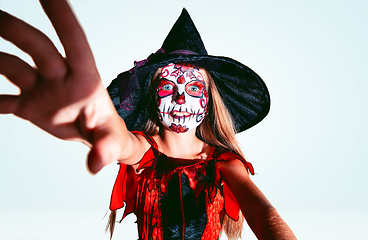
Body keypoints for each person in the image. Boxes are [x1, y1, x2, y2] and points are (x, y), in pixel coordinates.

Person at [0, 1, 296, 239]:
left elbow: (262, 214)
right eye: (168, 86)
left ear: (209, 101)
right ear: (152, 96)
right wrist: (105, 129)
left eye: (193, 88)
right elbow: (126, 143)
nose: (181, 98)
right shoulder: (144, 152)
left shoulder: (225, 164)